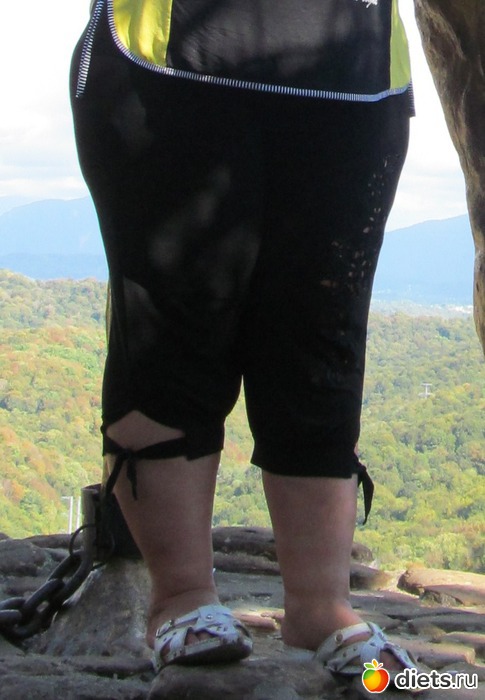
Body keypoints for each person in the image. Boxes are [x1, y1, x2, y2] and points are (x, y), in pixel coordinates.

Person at [71, 0, 417, 678]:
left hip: (354, 73)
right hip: (169, 64)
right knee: (170, 332)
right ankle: (181, 601)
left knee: (322, 343)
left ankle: (322, 609)